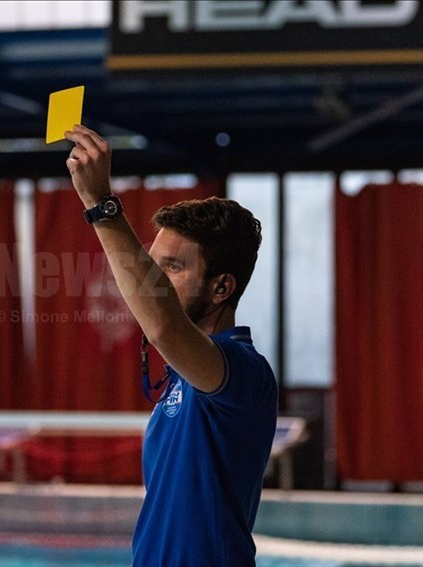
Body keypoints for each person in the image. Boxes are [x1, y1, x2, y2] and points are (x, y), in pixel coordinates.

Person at [64, 124, 278, 566]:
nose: (156, 280)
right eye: (152, 264)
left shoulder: (242, 374)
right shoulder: (185, 375)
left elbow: (163, 327)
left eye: (173, 268)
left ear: (221, 288)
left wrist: (101, 207)